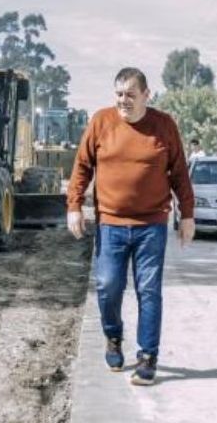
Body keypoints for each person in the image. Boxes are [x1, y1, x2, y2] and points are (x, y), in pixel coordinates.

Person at [67, 67, 195, 386]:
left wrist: (187, 215)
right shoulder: (101, 122)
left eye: (130, 95)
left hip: (151, 225)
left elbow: (179, 173)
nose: (123, 100)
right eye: (119, 94)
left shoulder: (164, 125)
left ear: (146, 95)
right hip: (110, 223)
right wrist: (74, 206)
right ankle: (113, 336)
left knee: (148, 291)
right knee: (108, 286)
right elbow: (82, 167)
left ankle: (147, 357)